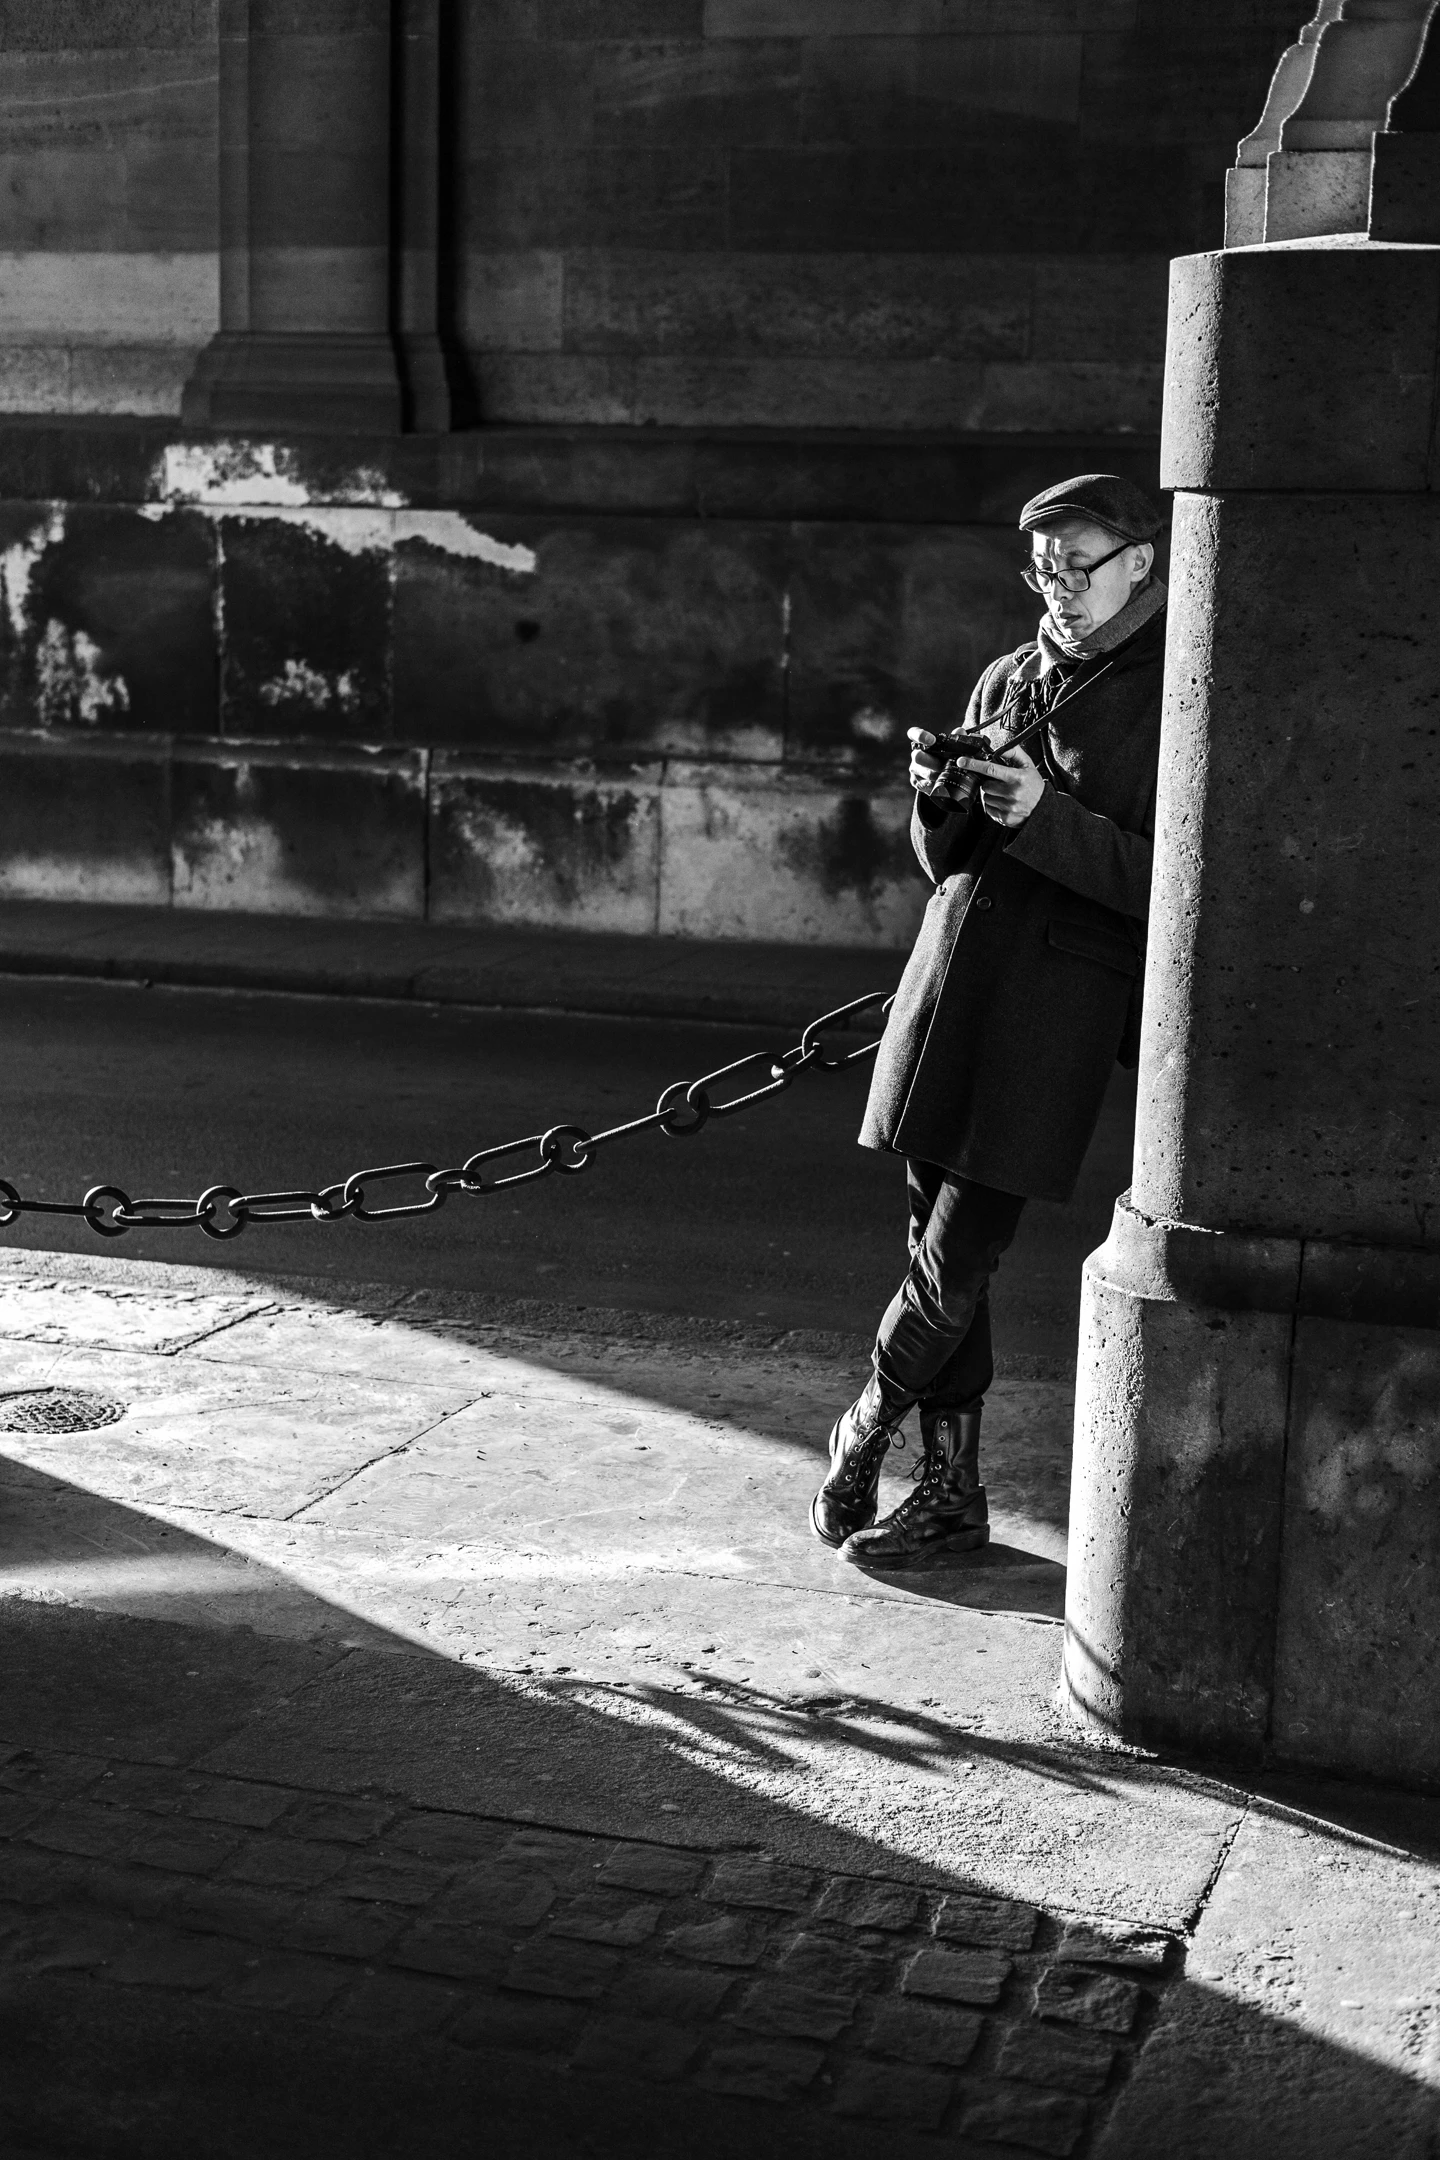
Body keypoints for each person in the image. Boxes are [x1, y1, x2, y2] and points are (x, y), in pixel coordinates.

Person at [811, 472, 1167, 1566]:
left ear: (1140, 564)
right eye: (1043, 568)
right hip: (950, 987)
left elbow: (1174, 885)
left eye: (1078, 564)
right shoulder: (1012, 675)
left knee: (960, 1253)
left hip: (1051, 1014)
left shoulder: (1179, 694)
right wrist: (939, 794)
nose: (1056, 587)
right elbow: (944, 864)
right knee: (932, 1242)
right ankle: (954, 1493)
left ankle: (866, 1422)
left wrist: (1042, 817)